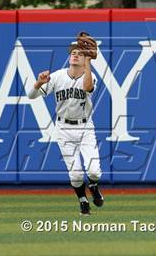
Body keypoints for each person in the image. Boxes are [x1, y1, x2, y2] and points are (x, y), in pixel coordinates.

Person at [28, 32, 103, 216]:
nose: (74, 55)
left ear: (86, 58)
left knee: (94, 172)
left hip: (85, 128)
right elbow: (31, 95)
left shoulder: (90, 76)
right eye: (73, 52)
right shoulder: (58, 76)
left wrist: (88, 63)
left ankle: (93, 186)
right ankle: (83, 201)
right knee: (76, 174)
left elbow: (86, 88)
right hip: (63, 128)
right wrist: (39, 82)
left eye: (79, 53)